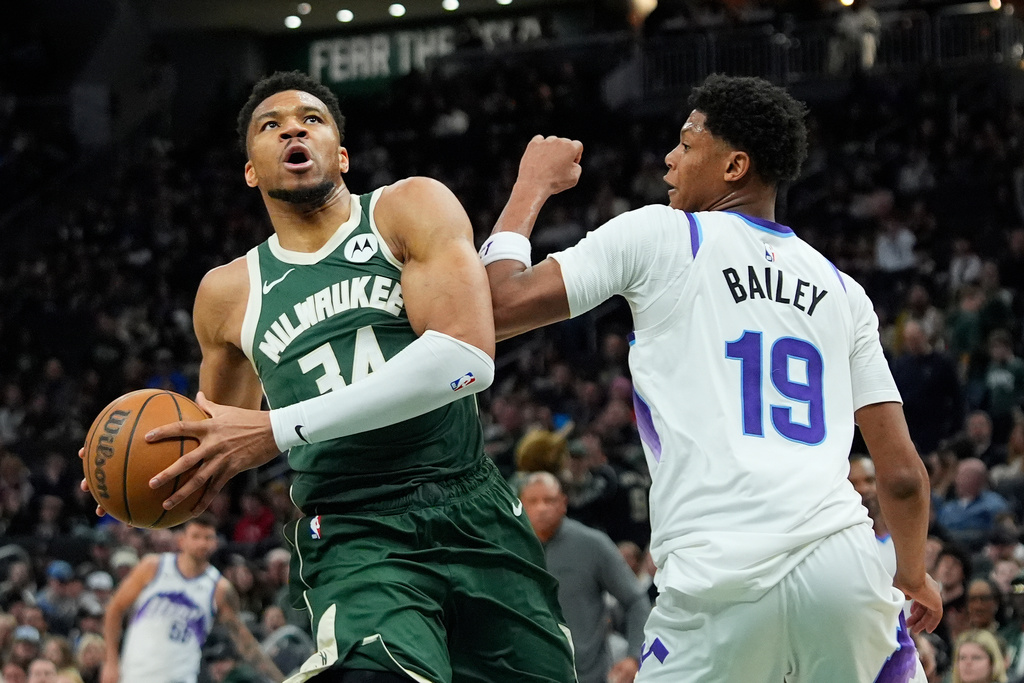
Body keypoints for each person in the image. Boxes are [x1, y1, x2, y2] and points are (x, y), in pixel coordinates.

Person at [89, 70, 574, 683]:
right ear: (250, 170)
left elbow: (463, 361)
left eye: (311, 119)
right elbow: (211, 450)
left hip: (471, 503)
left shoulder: (407, 208)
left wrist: (279, 428)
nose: (293, 129)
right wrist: (128, 472)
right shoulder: (228, 294)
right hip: (353, 527)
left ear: (341, 155)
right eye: (271, 125)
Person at [483, 74, 942, 681]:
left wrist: (530, 186)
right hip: (842, 570)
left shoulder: (665, 236)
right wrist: (912, 573)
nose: (669, 159)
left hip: (716, 579)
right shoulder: (844, 291)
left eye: (686, 143)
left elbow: (497, 308)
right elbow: (903, 475)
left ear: (734, 166)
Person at [99, 515, 281, 683]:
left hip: (181, 677)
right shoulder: (153, 566)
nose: (201, 543)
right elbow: (115, 608)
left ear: (215, 543)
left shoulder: (219, 588)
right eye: (195, 536)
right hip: (135, 674)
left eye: (208, 537)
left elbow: (244, 641)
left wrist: (279, 678)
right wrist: (110, 661)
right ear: (181, 540)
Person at [519, 471, 650, 683]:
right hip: (526, 672)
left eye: (549, 500)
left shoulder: (592, 544)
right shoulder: (507, 548)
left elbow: (636, 600)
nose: (541, 508)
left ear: (563, 503)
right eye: (533, 501)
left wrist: (634, 657)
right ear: (520, 505)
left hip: (588, 675)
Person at [849, 453, 896, 577]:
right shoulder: (841, 541)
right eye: (853, 484)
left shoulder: (905, 535)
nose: (863, 489)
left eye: (869, 480)